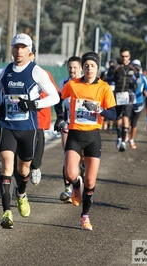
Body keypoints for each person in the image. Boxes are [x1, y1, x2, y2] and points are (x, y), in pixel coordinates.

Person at [0, 33, 59, 229]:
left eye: (23, 47)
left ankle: (21, 193)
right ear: (11, 49)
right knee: (6, 167)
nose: (19, 51)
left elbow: (55, 96)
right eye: (15, 47)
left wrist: (34, 104)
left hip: (28, 128)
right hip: (7, 126)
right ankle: (6, 213)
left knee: (23, 170)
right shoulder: (3, 71)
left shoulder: (37, 72)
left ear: (30, 51)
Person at [60, 51, 116, 230]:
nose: (89, 69)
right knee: (70, 173)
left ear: (97, 68)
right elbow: (58, 100)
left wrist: (100, 110)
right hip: (75, 134)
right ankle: (76, 185)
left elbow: (114, 115)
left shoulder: (104, 88)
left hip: (93, 136)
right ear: (82, 67)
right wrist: (60, 117)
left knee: (91, 182)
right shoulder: (73, 84)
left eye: (92, 65)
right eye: (86, 66)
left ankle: (84, 216)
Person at [54, 56, 82, 203]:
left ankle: (80, 174)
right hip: (68, 124)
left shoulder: (86, 82)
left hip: (83, 126)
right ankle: (67, 190)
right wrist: (60, 117)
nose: (72, 70)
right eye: (70, 67)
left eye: (75, 67)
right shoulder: (64, 82)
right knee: (67, 156)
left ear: (80, 68)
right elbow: (58, 101)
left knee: (81, 158)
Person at [113, 47, 139, 151]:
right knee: (118, 120)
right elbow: (108, 78)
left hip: (128, 95)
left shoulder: (134, 69)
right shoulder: (116, 68)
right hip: (117, 95)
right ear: (120, 56)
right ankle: (119, 137)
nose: (124, 58)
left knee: (125, 117)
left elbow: (138, 80)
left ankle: (124, 142)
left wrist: (135, 85)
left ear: (130, 56)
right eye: (123, 56)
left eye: (126, 56)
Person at [128, 59, 147, 149]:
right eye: (134, 66)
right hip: (127, 102)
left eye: (137, 66)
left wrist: (146, 92)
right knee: (126, 121)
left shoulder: (143, 77)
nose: (135, 68)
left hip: (139, 102)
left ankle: (131, 139)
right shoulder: (128, 76)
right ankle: (124, 137)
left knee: (134, 123)